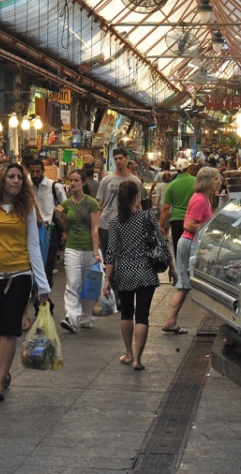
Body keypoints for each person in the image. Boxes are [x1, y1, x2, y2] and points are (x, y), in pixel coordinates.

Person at [0, 162, 51, 401]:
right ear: (2, 181)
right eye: (12, 177)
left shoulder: (26, 209)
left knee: (9, 328)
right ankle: (3, 368)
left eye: (20, 177)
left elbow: (33, 246)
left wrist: (43, 284)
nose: (16, 181)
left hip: (19, 275)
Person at [102, 180, 161, 371]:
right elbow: (161, 243)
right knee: (142, 316)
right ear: (136, 198)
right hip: (146, 271)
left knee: (127, 313)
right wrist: (173, 270)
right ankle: (138, 359)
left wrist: (107, 279)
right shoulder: (147, 217)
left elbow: (111, 253)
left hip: (125, 272)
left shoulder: (115, 223)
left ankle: (128, 353)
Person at [160, 165, 220, 334]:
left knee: (184, 285)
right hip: (188, 243)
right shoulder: (200, 199)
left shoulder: (204, 198)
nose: (219, 182)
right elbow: (189, 224)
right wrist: (209, 229)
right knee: (184, 284)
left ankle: (171, 321)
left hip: (190, 243)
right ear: (208, 181)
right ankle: (170, 320)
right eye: (216, 179)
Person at [57, 170, 101, 333]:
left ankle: (86, 316)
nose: (73, 183)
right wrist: (60, 216)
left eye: (76, 180)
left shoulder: (91, 203)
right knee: (73, 282)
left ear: (83, 183)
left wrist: (96, 252)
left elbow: (95, 228)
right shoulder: (67, 204)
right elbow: (66, 227)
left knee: (87, 283)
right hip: (72, 247)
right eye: (71, 180)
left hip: (89, 247)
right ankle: (71, 316)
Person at [24, 157, 66, 327]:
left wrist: (65, 229)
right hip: (30, 231)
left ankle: (44, 303)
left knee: (46, 268)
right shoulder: (25, 187)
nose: (35, 175)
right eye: (32, 172)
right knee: (31, 269)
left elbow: (66, 208)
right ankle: (40, 301)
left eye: (37, 172)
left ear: (42, 171)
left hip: (50, 232)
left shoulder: (54, 187)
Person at [96, 149, 142, 256]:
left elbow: (138, 204)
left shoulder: (135, 181)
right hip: (106, 224)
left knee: (126, 257)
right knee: (108, 257)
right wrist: (95, 228)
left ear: (126, 159)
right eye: (116, 159)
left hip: (128, 225)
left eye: (121, 158)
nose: (118, 161)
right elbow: (99, 204)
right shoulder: (106, 180)